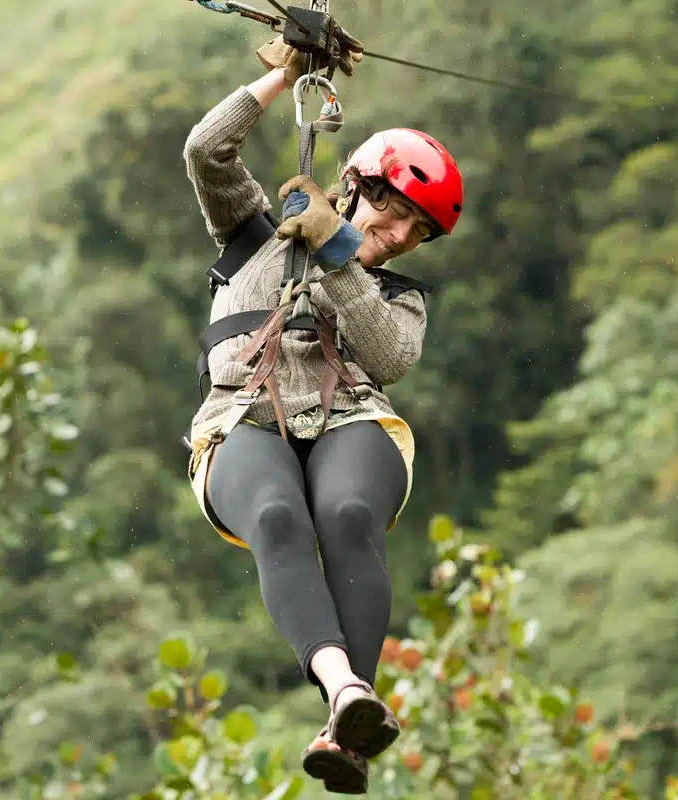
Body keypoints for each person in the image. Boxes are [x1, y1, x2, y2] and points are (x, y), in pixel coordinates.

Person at [181, 31, 464, 795]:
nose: (398, 236)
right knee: (277, 516)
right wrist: (282, 76)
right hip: (243, 414)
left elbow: (388, 358)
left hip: (352, 420)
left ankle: (346, 720)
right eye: (395, 212)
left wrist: (339, 253)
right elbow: (207, 151)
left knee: (346, 515)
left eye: (417, 232)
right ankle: (347, 698)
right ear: (355, 183)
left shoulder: (398, 299)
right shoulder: (252, 235)